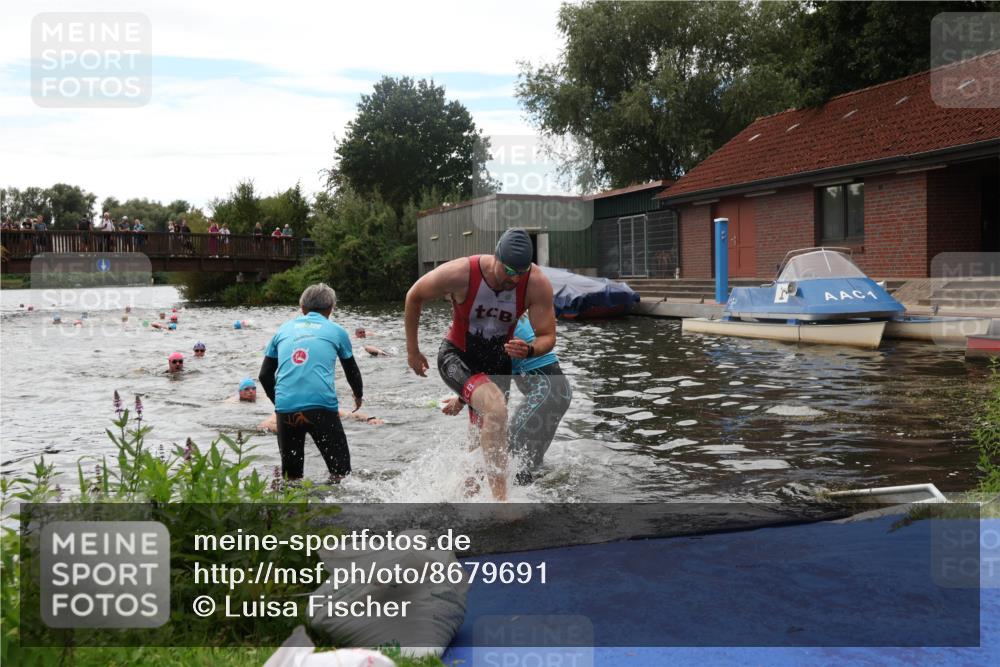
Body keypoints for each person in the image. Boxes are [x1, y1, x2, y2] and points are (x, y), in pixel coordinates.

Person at [404, 227, 556, 501]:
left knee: (482, 442)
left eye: (519, 273)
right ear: (495, 256)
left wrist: (531, 349)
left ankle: (462, 495)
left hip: (497, 364)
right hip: (457, 357)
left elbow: (548, 336)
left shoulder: (536, 283)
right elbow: (414, 295)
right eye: (508, 270)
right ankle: (501, 504)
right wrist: (413, 351)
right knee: (496, 409)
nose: (513, 279)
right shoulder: (462, 272)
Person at [442, 314, 571, 485]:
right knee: (529, 465)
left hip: (548, 392)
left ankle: (514, 506)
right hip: (557, 392)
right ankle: (544, 502)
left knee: (508, 457)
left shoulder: (491, 322)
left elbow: (489, 375)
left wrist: (460, 400)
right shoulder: (495, 315)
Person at [258, 283, 363, 482]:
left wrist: (280, 403)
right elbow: (351, 370)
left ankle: (292, 512)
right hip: (321, 407)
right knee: (341, 474)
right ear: (331, 308)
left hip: (286, 409)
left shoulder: (283, 330)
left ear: (302, 307)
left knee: (292, 478)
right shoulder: (337, 331)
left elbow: (264, 375)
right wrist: (358, 396)